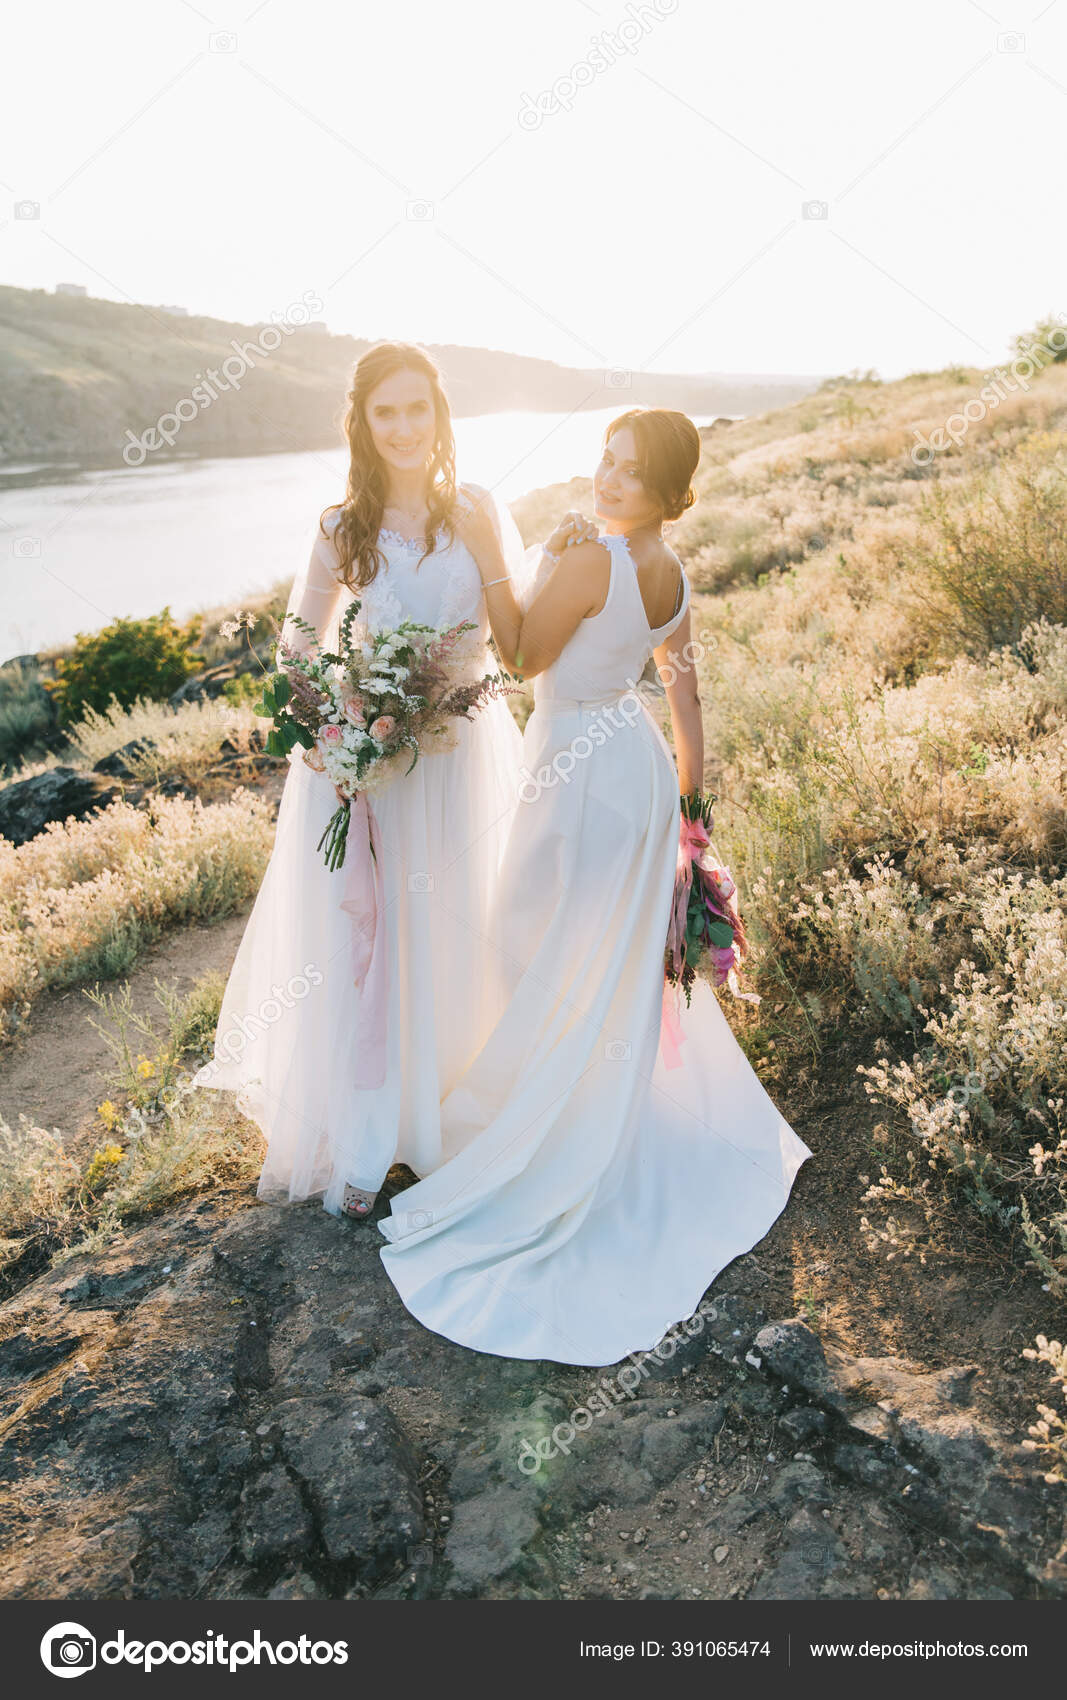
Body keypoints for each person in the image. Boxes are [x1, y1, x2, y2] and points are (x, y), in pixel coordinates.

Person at [377, 407, 813, 1366]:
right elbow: (685, 697)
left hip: (575, 769)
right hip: (638, 774)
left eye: (630, 474)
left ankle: (553, 1121)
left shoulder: (589, 560)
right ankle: (586, 1099)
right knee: (607, 962)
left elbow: (524, 655)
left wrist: (501, 557)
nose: (608, 481)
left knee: (531, 945)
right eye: (605, 463)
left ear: (667, 492)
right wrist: (692, 816)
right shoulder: (673, 576)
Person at [201, 341, 534, 1220]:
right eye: (384, 412)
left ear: (440, 414)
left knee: (456, 920)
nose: (402, 428)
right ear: (362, 422)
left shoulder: (476, 508)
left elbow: (514, 634)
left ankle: (447, 1106)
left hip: (459, 752)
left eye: (416, 408)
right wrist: (337, 714)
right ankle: (369, 1125)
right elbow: (297, 642)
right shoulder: (338, 527)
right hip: (373, 759)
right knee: (371, 941)